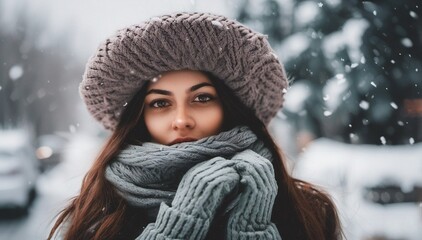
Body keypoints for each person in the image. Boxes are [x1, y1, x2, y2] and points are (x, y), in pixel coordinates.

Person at [48, 12, 342, 240]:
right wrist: (177, 227)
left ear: (230, 108)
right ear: (140, 117)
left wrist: (252, 230)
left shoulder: (309, 209)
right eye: (160, 103)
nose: (181, 120)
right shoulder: (99, 211)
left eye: (202, 98)